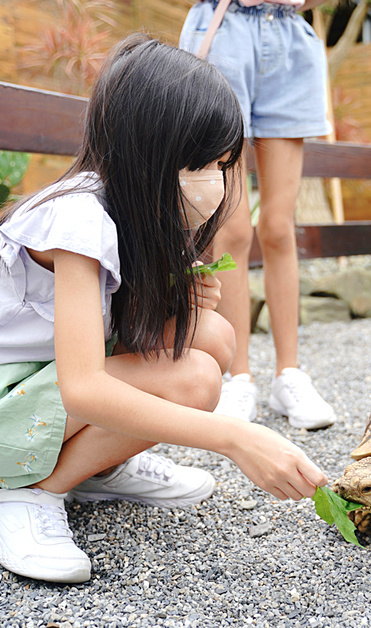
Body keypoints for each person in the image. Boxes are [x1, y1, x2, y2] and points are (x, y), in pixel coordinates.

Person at [0, 35, 326, 584]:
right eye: (202, 163)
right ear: (146, 151)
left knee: (211, 337)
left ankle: (98, 465)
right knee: (196, 380)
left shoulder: (133, 207)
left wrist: (176, 298)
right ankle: (30, 493)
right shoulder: (78, 218)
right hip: (12, 392)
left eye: (225, 164)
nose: (217, 182)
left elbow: (118, 333)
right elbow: (84, 388)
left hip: (31, 383)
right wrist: (236, 439)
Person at [178, 0, 337, 428]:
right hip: (224, 27)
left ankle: (289, 374)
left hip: (289, 34)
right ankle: (238, 376)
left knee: (279, 227)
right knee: (231, 229)